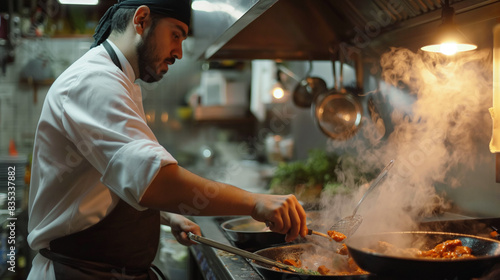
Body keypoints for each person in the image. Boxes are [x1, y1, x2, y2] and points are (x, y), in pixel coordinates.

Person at [26, 0, 308, 279]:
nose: (179, 53)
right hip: (74, 272)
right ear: (141, 20)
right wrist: (254, 202)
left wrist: (166, 216)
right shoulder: (94, 82)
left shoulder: (120, 81)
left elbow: (110, 181)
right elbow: (154, 180)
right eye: (175, 35)